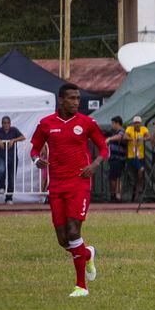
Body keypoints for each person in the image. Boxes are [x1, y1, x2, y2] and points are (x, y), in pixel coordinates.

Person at [30, 83, 108, 297]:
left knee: (74, 231)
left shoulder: (86, 122)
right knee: (63, 240)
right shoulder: (47, 124)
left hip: (79, 183)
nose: (76, 102)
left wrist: (95, 165)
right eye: (72, 98)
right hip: (56, 185)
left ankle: (81, 286)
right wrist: (37, 159)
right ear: (61, 100)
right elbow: (35, 147)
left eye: (78, 98)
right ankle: (87, 253)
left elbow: (103, 147)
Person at [0, 116, 26, 203]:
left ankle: (9, 198)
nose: (6, 125)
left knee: (11, 179)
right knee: (1, 170)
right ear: (2, 124)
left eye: (7, 123)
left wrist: (14, 140)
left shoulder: (14, 130)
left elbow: (23, 137)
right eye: (4, 123)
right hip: (2, 157)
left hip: (13, 158)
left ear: (10, 124)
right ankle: (2, 187)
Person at [123, 115, 150, 201]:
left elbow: (148, 136)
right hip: (132, 156)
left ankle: (137, 191)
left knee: (138, 174)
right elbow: (125, 136)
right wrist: (131, 139)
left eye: (138, 123)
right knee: (140, 170)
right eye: (135, 123)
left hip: (141, 155)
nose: (137, 124)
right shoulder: (129, 129)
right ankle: (138, 188)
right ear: (133, 123)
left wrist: (143, 139)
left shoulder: (143, 129)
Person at [103, 116, 127, 201]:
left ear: (117, 123)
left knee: (115, 178)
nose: (112, 125)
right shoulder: (113, 132)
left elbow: (120, 136)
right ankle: (114, 196)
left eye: (113, 123)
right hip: (113, 158)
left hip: (118, 158)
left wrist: (110, 139)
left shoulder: (122, 131)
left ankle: (116, 197)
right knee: (114, 177)